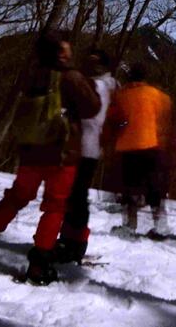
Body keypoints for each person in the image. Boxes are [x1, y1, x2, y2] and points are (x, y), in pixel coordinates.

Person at [0, 30, 101, 284]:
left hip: (32, 152)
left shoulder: (33, 74)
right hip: (61, 154)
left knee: (15, 198)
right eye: (66, 47)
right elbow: (92, 107)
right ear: (61, 51)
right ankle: (39, 265)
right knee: (55, 206)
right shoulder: (71, 76)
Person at [54, 47, 120, 264]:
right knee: (76, 195)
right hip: (89, 146)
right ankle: (73, 241)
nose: (91, 65)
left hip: (83, 146)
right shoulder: (111, 86)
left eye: (95, 62)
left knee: (76, 196)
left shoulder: (98, 86)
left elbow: (93, 116)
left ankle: (72, 242)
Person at [103, 61, 171, 236]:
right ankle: (160, 225)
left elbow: (112, 117)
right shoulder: (156, 94)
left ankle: (129, 225)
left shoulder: (121, 95)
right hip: (151, 146)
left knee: (130, 187)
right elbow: (166, 108)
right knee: (154, 186)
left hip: (127, 148)